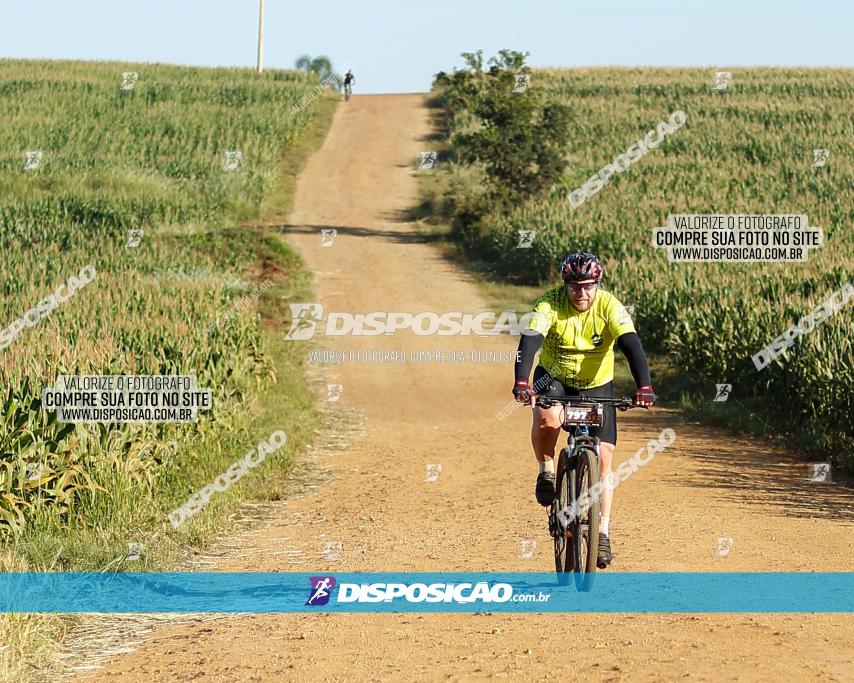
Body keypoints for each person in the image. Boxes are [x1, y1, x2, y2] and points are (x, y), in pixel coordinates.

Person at [512, 252, 655, 568]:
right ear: (565, 285)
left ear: (597, 284)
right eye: (575, 287)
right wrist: (522, 381)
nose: (582, 293)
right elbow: (530, 340)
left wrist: (643, 385)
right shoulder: (549, 305)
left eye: (588, 286)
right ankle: (545, 471)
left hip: (596, 385)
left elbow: (631, 344)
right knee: (547, 417)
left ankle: (602, 532)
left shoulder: (609, 306)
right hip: (554, 378)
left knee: (603, 459)